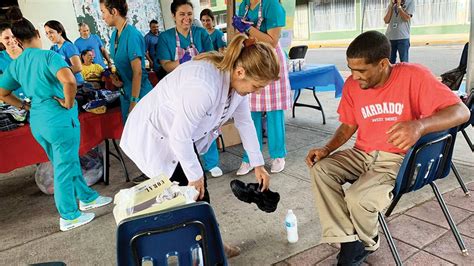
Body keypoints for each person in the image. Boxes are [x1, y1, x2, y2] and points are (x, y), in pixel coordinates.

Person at [305, 31, 470, 264]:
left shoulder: (414, 76)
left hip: (397, 159)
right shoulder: (353, 85)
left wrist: (419, 126)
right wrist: (327, 148)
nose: (354, 76)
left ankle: (366, 244)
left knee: (357, 198)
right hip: (362, 154)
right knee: (321, 169)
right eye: (351, 69)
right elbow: (348, 125)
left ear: (383, 64)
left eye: (361, 70)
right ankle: (349, 240)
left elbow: (462, 112)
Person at [120, 34, 279, 258]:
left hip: (178, 136)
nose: (257, 91)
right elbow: (179, 137)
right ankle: (200, 251)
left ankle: (208, 245)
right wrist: (195, 176)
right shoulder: (204, 84)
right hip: (157, 135)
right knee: (188, 197)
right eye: (256, 86)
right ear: (241, 72)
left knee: (196, 198)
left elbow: (245, 123)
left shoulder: (237, 83)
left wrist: (258, 164)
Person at [0, 10, 112, 232]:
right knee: (63, 166)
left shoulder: (16, 64)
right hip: (58, 120)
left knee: (66, 161)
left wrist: (24, 106)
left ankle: (87, 196)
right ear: (35, 33)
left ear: (19, 41)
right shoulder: (48, 56)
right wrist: (69, 103)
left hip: (38, 121)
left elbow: (3, 93)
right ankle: (69, 215)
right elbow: (69, 80)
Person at [155, 0, 221, 181]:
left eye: (189, 14)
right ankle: (183, 166)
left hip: (202, 87)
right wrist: (181, 63)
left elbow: (213, 58)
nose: (187, 18)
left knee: (206, 125)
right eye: (182, 14)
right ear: (174, 16)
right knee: (181, 130)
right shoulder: (165, 38)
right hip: (177, 90)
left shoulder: (200, 33)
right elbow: (165, 64)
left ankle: (212, 163)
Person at [233, 0, 291, 175]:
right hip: (251, 59)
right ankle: (250, 157)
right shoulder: (243, 6)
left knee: (274, 112)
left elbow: (272, 41)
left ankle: (278, 155)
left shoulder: (271, 5)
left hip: (270, 59)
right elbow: (242, 37)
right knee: (250, 112)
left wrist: (247, 29)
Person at [99, 0, 153, 122]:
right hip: (125, 93)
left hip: (139, 95)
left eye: (103, 12)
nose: (102, 17)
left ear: (113, 11)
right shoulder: (114, 35)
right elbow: (121, 64)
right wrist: (117, 78)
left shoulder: (132, 35)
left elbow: (137, 72)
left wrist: (134, 102)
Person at [45, 20, 84, 87]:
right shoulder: (53, 48)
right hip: (64, 83)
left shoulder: (68, 46)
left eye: (51, 32)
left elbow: (78, 67)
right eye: (47, 33)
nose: (49, 36)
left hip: (76, 84)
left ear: (60, 32)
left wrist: (60, 74)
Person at [0, 22, 24, 98]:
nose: (12, 40)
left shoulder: (28, 54)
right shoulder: (1, 58)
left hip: (37, 101)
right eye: (6, 38)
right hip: (15, 104)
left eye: (13, 37)